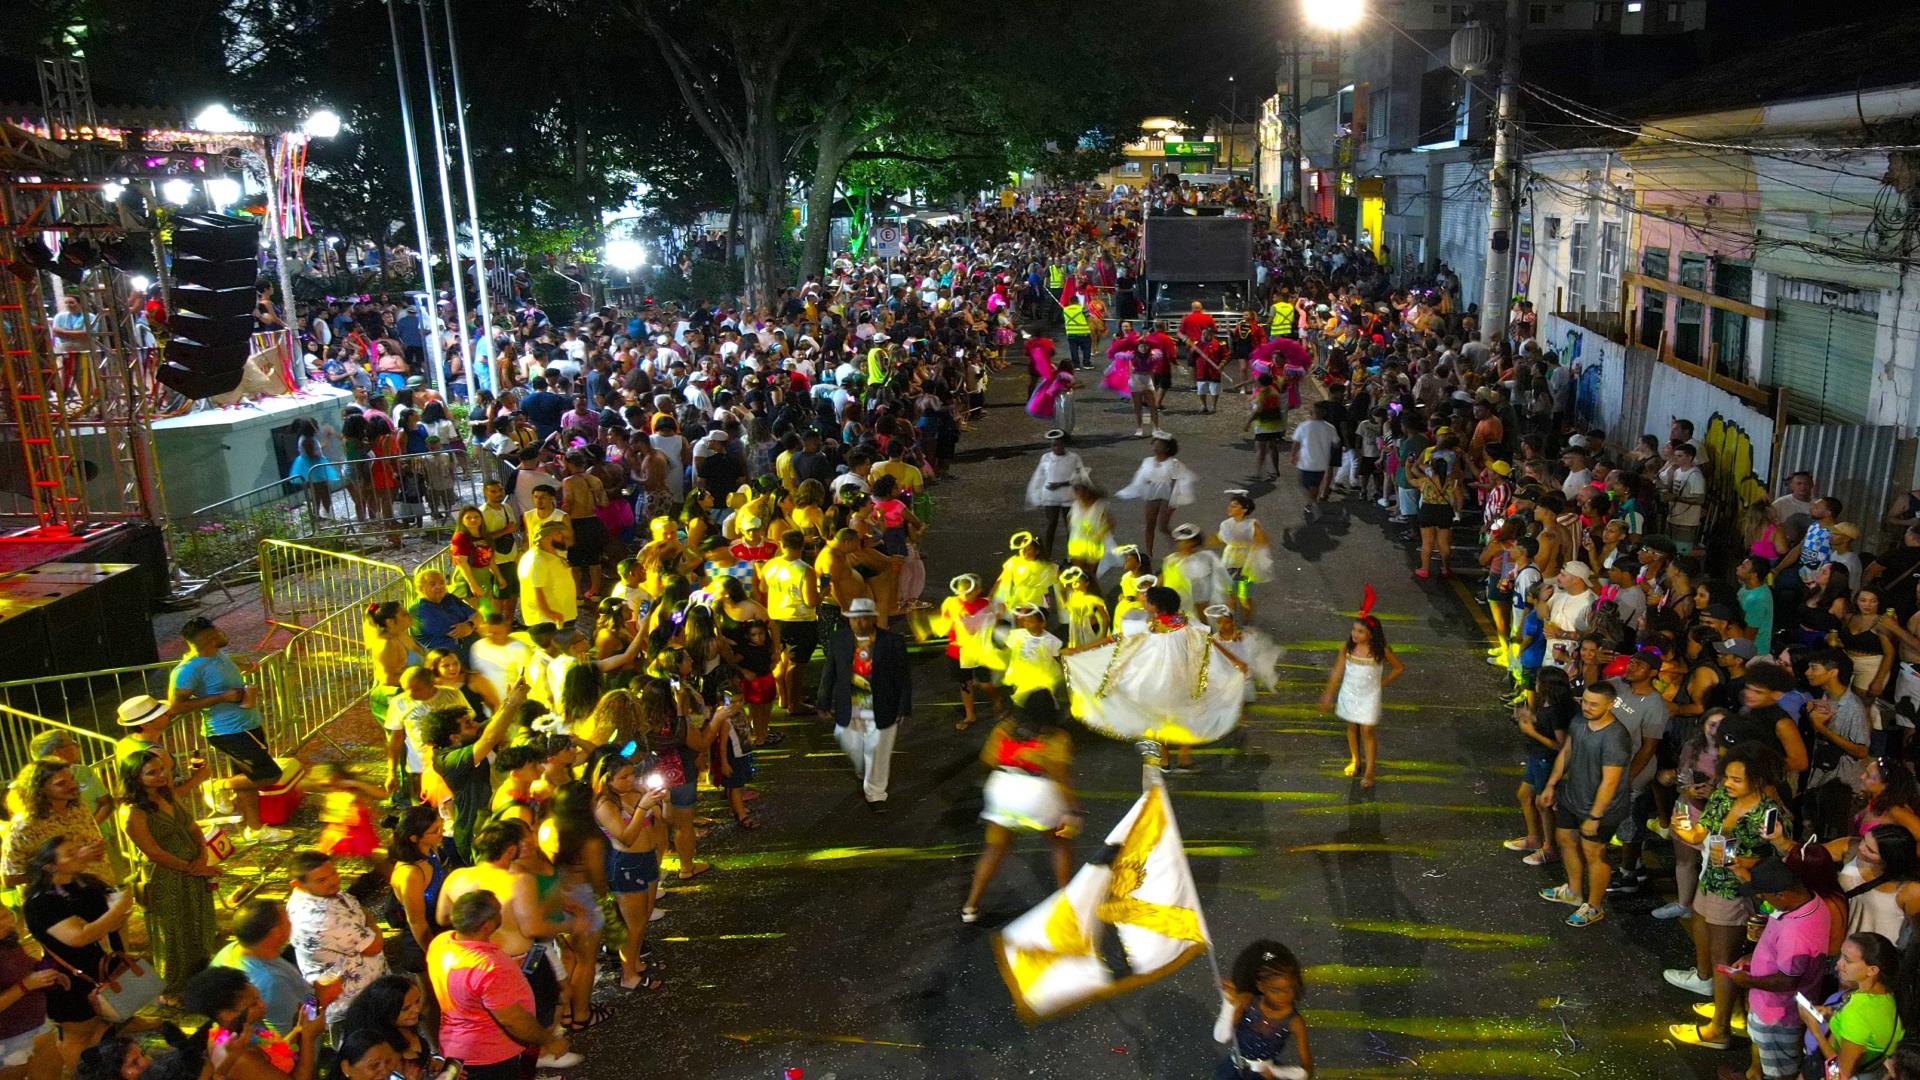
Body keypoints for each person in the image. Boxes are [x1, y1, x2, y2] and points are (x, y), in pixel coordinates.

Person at [166, 617, 291, 844]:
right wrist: (221, 697)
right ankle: (216, 787)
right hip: (228, 731)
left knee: (245, 779)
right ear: (210, 637)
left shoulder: (217, 655)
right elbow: (175, 706)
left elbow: (221, 673)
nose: (224, 633)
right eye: (219, 630)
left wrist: (244, 667)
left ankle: (255, 828)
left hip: (247, 723)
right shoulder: (188, 670)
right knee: (269, 774)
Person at [427, 891, 576, 1080]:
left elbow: (468, 985)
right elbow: (513, 1020)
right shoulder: (488, 967)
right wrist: (549, 1041)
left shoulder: (441, 942)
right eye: (498, 910)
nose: (502, 912)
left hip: (457, 1045)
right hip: (490, 1055)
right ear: (487, 925)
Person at [960, 692, 1078, 924]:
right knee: (1058, 843)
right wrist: (1072, 810)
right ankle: (1067, 902)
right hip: (1037, 794)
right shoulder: (1057, 737)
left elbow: (987, 761)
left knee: (994, 849)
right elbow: (1060, 779)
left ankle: (970, 907)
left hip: (1002, 789)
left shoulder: (1004, 728)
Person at [116, 751, 216, 1001]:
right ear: (135, 778)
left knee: (199, 923)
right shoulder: (133, 811)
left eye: (163, 770)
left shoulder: (168, 794)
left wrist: (202, 857)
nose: (161, 776)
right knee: (172, 932)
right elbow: (153, 851)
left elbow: (193, 827)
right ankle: (172, 988)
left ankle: (201, 978)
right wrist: (191, 867)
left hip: (193, 870)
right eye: (152, 773)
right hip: (165, 878)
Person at [1537, 682, 1632, 928]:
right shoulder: (1579, 721)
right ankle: (1573, 891)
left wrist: (1595, 816)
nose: (1587, 707)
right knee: (1566, 839)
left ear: (1611, 705)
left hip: (1602, 809)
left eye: (1594, 704)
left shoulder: (1616, 737)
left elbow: (1610, 783)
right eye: (1585, 701)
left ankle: (1594, 906)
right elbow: (1567, 752)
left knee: (1595, 854)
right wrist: (1551, 785)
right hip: (1572, 797)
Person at [816, 597, 912, 810]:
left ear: (873, 619)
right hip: (849, 706)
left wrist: (903, 707)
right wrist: (823, 701)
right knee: (847, 740)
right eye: (854, 619)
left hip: (883, 705)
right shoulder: (839, 640)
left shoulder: (892, 642)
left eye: (863, 618)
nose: (858, 623)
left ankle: (876, 794)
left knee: (878, 750)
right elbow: (829, 671)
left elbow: (903, 677)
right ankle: (863, 768)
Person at [589, 747, 666, 993]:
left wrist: (663, 801)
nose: (630, 780)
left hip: (647, 859)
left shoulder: (634, 793)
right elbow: (626, 838)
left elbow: (664, 819)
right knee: (633, 923)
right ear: (606, 780)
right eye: (623, 777)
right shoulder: (604, 804)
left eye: (632, 775)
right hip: (626, 864)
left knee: (645, 914)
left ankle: (635, 962)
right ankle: (627, 975)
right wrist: (642, 808)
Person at [284, 851, 386, 1028]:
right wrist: (372, 926)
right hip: (351, 1005)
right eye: (321, 880)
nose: (333, 881)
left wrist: (366, 924)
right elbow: (374, 945)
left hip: (369, 991)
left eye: (333, 873)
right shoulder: (317, 918)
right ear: (297, 884)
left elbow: (358, 910)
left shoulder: (324, 895)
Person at [178, 966, 327, 1080]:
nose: (262, 1004)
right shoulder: (242, 1057)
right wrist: (309, 1038)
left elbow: (275, 1054)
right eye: (254, 1003)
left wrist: (298, 1030)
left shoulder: (232, 1034)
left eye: (259, 997)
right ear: (227, 1014)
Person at [210, 902, 329, 1036]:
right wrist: (322, 996)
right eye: (287, 920)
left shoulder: (234, 949)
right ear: (276, 932)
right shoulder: (271, 981)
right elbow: (297, 1031)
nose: (292, 923)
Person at [1800, 932, 1904, 1080]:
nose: (1838, 964)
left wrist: (1814, 1029)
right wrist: (1831, 1014)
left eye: (1847, 961)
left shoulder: (1857, 1013)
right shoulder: (1886, 996)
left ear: (1872, 970)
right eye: (1841, 956)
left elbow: (1839, 1075)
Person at [1318, 615, 1404, 790]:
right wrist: (1328, 694)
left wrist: (1383, 682)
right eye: (1353, 629)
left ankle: (1370, 770)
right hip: (1349, 694)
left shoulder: (1381, 650)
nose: (1355, 634)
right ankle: (1355, 759)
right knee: (1351, 726)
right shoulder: (1348, 648)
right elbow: (1337, 672)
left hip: (1370, 695)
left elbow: (1398, 667)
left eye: (1360, 631)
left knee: (1367, 730)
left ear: (1371, 634)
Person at [1213, 940, 1313, 1080]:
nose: (1284, 996)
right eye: (1275, 990)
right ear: (1260, 986)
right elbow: (1221, 1037)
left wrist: (1281, 1072)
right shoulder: (1247, 1000)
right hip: (1233, 1071)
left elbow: (1307, 1071)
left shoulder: (1294, 1021)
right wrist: (1229, 1005)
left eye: (1290, 988)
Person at [1115, 435, 1196, 562]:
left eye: (1159, 445)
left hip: (1167, 496)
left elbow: (1175, 482)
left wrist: (1172, 501)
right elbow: (1141, 477)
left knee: (1163, 526)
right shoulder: (1148, 461)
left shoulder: (1173, 464)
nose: (1156, 448)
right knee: (1150, 525)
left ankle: (1178, 549)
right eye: (1155, 445)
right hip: (1152, 495)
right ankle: (1149, 554)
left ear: (1167, 448)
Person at [1024, 430, 1087, 558]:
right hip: (1050, 497)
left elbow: (1079, 476)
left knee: (1070, 526)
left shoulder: (1073, 458)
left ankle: (1072, 554)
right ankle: (1047, 554)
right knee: (1051, 524)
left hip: (1068, 496)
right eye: (1053, 445)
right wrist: (1036, 493)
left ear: (1064, 444)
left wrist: (1061, 484)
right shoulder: (1046, 458)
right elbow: (1039, 476)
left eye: (1058, 445)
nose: (1055, 448)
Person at [517, 521, 577, 631]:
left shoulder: (550, 554)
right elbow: (537, 590)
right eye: (558, 533)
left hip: (561, 614)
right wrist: (551, 614)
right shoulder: (537, 560)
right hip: (549, 621)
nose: (562, 536)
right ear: (547, 537)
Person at [1290, 401, 1341, 522]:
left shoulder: (1304, 426)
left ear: (1311, 412)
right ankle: (1312, 503)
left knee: (1302, 483)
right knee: (1315, 485)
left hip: (1306, 461)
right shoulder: (1330, 427)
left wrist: (1293, 455)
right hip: (1322, 461)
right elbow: (1336, 443)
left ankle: (1313, 505)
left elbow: (1296, 442)